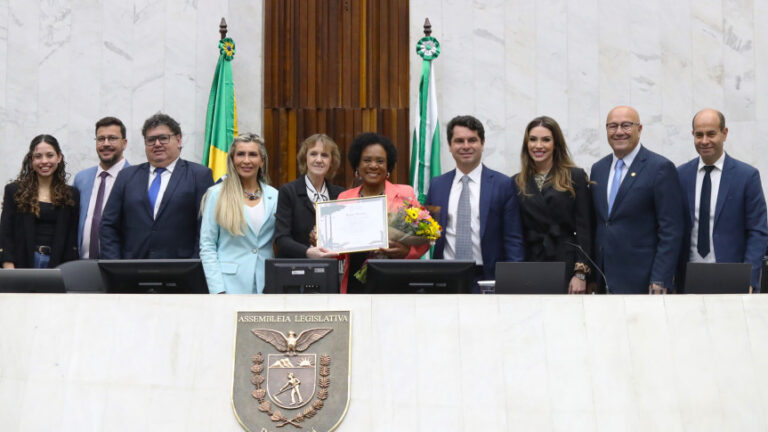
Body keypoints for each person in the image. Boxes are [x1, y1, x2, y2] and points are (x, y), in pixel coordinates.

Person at [590, 106, 684, 294]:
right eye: (612, 126)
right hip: (603, 278)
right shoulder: (598, 169)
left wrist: (660, 277)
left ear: (639, 129)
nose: (618, 132)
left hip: (643, 280)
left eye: (626, 125)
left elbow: (671, 229)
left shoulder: (660, 168)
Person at [425, 115, 524, 287]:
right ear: (449, 146)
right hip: (445, 277)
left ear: (482, 143)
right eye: (459, 141)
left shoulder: (503, 184)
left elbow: (513, 238)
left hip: (488, 278)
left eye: (472, 140)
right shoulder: (437, 185)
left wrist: (513, 280)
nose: (466, 146)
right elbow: (426, 232)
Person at [100, 113, 214, 259]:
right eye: (151, 140)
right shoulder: (126, 176)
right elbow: (109, 225)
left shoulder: (199, 175)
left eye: (164, 138)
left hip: (182, 271)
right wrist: (114, 265)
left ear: (178, 140)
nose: (157, 144)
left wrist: (195, 266)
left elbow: (206, 228)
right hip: (131, 270)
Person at [677, 109, 768, 292]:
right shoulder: (680, 175)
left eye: (711, 134)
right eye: (698, 135)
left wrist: (750, 278)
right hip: (688, 276)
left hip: (733, 276)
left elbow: (758, 231)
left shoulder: (746, 176)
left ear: (724, 133)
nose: (704, 141)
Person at [337, 132, 430, 293]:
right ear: (357, 166)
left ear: (388, 167)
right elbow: (336, 251)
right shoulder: (344, 198)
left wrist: (408, 252)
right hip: (356, 284)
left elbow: (424, 240)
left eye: (380, 161)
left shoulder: (405, 195)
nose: (373, 165)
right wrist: (322, 239)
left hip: (396, 282)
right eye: (367, 160)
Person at [512, 116, 593, 294]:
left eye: (546, 139)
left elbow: (585, 228)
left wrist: (580, 274)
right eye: (532, 139)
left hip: (566, 261)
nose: (538, 145)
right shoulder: (516, 182)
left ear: (556, 144)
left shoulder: (575, 177)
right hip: (530, 262)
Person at [199, 134, 278, 294]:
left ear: (262, 161)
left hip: (267, 286)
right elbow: (207, 246)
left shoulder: (275, 195)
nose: (246, 160)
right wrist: (218, 289)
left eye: (253, 154)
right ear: (232, 159)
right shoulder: (216, 194)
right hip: (228, 286)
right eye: (241, 154)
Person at [0, 135, 79, 268]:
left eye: (50, 155)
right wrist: (9, 267)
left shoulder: (71, 194)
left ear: (59, 157)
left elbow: (72, 237)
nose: (44, 161)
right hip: (21, 264)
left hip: (58, 265)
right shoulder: (14, 191)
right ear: (31, 160)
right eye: (38, 156)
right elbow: (5, 233)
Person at [274, 134, 344, 259]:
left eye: (324, 155)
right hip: (296, 269)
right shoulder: (288, 192)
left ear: (331, 161)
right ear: (304, 158)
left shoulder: (340, 194)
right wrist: (307, 252)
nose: (318, 159)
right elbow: (281, 239)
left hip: (331, 268)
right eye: (313, 154)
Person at [73, 116, 130, 259]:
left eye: (112, 138)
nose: (105, 144)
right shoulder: (82, 178)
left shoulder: (136, 178)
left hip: (120, 266)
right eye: (101, 139)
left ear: (124, 143)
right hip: (82, 265)